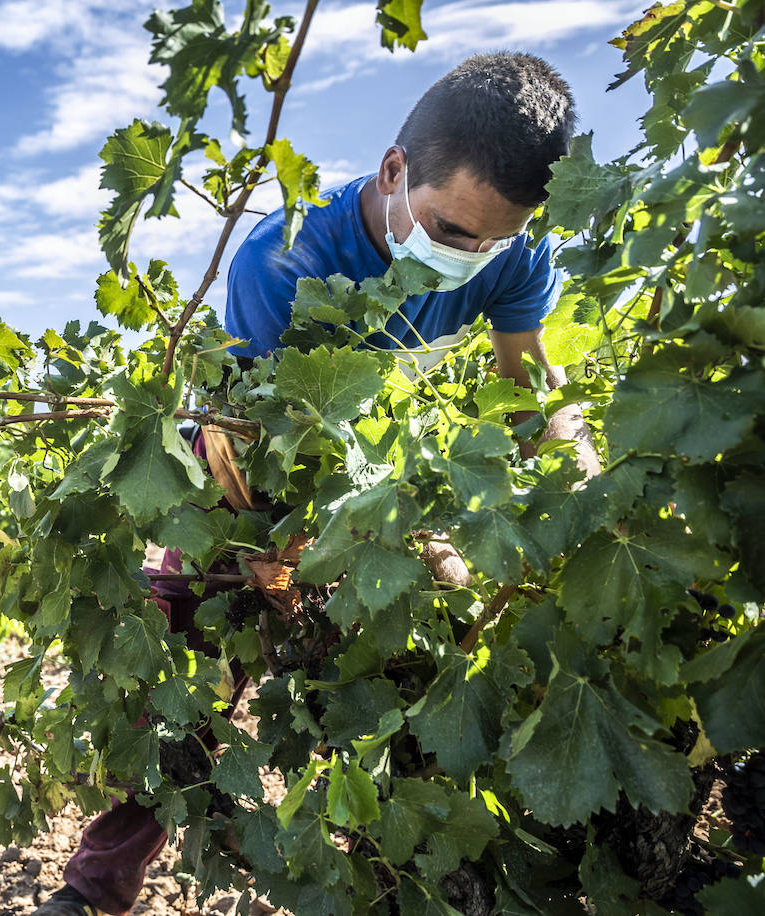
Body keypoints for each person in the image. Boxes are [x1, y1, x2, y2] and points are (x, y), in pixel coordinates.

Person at [35, 51, 579, 916]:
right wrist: (300, 563)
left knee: (394, 699)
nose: (472, 258)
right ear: (395, 170)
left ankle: (384, 879)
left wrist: (567, 491)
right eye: (449, 232)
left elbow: (526, 396)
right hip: (238, 481)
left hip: (381, 489)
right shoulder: (281, 259)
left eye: (495, 240)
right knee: (178, 681)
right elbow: (247, 452)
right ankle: (96, 887)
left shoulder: (514, 250)